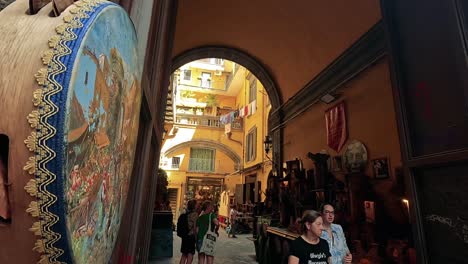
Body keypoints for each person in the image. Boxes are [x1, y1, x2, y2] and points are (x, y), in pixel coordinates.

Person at [180, 200, 198, 264]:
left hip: (184, 237)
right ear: (194, 206)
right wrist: (196, 238)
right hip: (191, 237)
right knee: (190, 256)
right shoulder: (195, 214)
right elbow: (195, 228)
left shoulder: (185, 214)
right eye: (196, 204)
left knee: (184, 255)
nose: (197, 205)